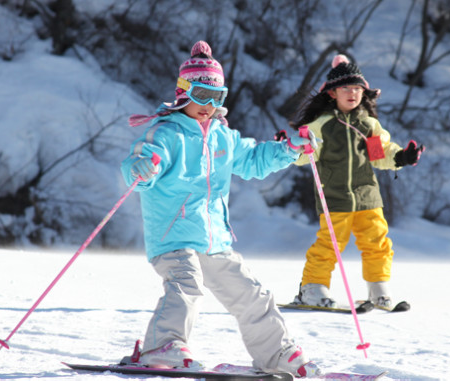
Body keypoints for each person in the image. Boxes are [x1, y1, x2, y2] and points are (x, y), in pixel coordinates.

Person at [120, 40, 321, 378]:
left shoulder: (222, 137)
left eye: (217, 98)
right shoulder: (167, 134)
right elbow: (138, 168)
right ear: (184, 92)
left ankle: (277, 354)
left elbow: (254, 160)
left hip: (214, 241)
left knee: (252, 294)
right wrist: (142, 168)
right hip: (173, 237)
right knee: (186, 283)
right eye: (201, 96)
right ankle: (163, 346)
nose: (208, 106)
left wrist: (289, 149)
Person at [288, 54, 425, 309]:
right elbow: (306, 155)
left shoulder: (368, 124)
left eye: (357, 88)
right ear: (332, 93)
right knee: (329, 244)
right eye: (345, 88)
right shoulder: (322, 126)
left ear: (364, 92)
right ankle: (312, 287)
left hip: (367, 195)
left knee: (378, 242)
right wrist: (292, 148)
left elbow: (380, 154)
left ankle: (378, 288)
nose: (352, 93)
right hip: (335, 196)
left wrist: (402, 156)